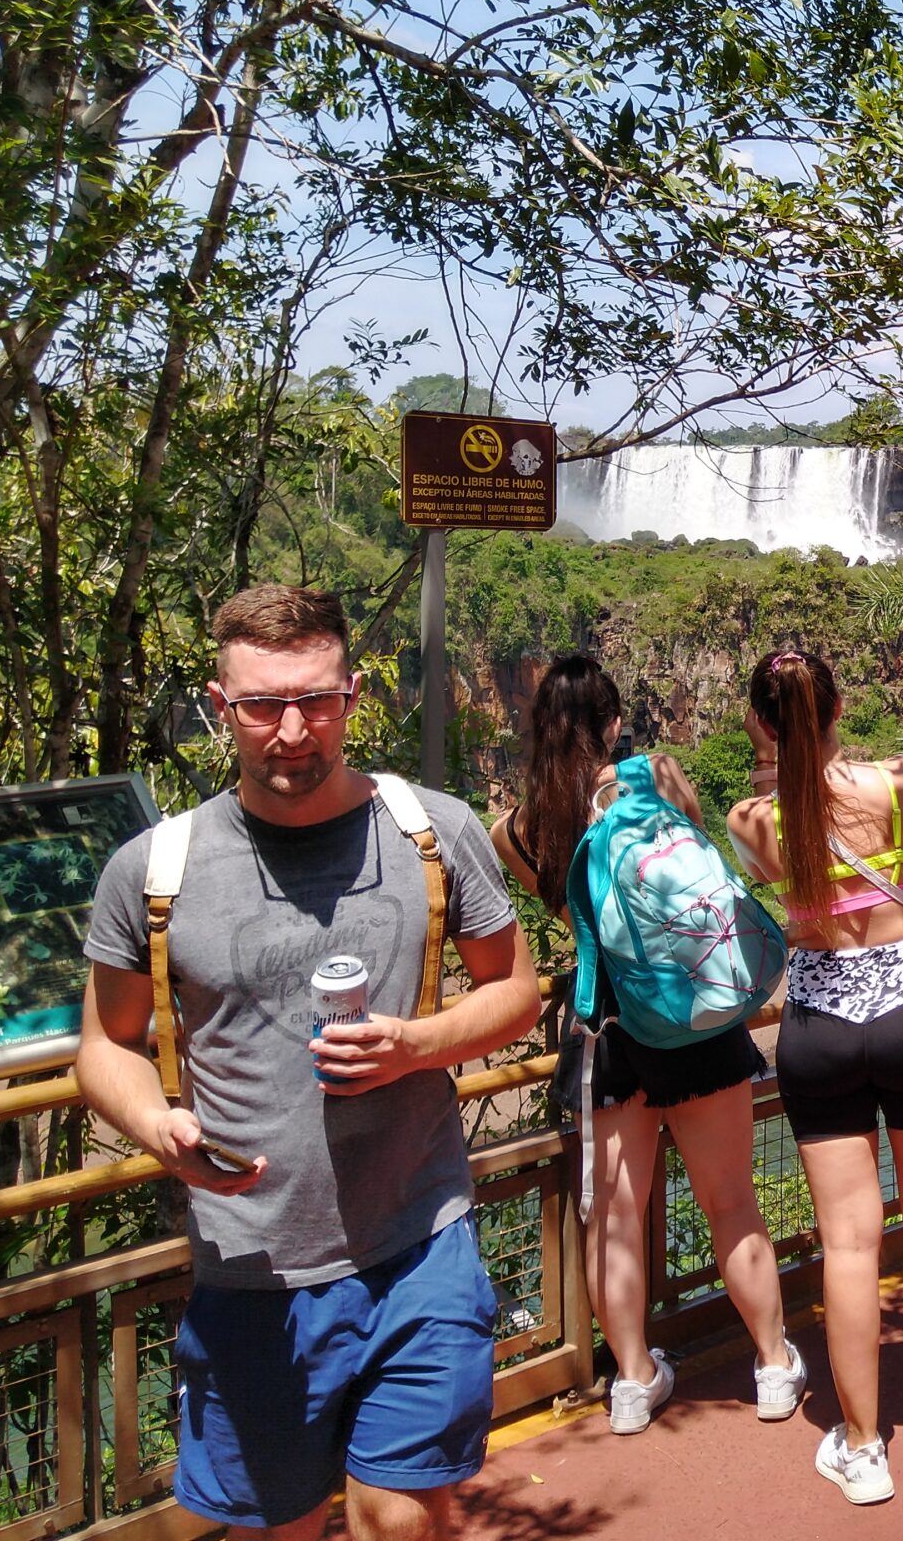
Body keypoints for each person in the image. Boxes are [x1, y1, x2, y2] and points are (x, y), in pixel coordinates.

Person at [77, 586, 541, 1540]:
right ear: (221, 706)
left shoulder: (433, 830)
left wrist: (415, 1044)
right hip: (253, 1264)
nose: (292, 730)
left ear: (353, 695)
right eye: (262, 705)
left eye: (316, 701)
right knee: (280, 1525)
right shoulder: (154, 870)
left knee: (400, 1520)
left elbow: (516, 994)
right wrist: (158, 1126)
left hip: (421, 1238)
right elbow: (105, 1046)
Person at [489, 657, 799, 1438]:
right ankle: (770, 1365)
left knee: (615, 1221)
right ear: (615, 722)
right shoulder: (654, 776)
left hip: (608, 1034)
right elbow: (701, 882)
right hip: (694, 1021)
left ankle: (630, 1383)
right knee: (732, 1204)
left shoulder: (517, 829)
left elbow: (574, 917)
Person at [725, 650, 903, 1501]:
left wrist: (777, 756)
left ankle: (862, 1447)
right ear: (841, 704)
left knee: (848, 1242)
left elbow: (783, 826)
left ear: (761, 725)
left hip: (821, 1027)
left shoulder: (752, 819)